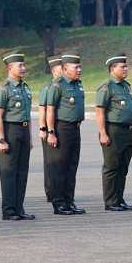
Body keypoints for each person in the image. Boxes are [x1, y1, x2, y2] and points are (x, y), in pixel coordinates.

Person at [0, 52, 34, 221]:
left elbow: (28, 115)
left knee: (22, 171)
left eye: (24, 65)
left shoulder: (25, 87)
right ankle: (9, 210)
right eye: (20, 66)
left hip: (23, 131)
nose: (23, 68)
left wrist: (30, 137)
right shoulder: (4, 88)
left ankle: (19, 208)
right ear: (10, 68)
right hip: (10, 130)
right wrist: (1, 139)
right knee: (9, 172)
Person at [96, 53, 132, 212]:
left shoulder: (126, 85)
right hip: (113, 130)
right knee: (112, 167)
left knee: (123, 167)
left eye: (126, 66)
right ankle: (111, 201)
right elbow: (100, 112)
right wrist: (103, 133)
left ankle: (119, 199)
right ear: (113, 68)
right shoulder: (107, 87)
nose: (126, 69)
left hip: (126, 131)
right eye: (122, 66)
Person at [46, 54, 86, 216]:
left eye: (79, 66)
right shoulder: (58, 85)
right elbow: (50, 109)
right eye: (76, 67)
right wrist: (51, 132)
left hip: (75, 129)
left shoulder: (78, 85)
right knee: (60, 168)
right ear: (64, 69)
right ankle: (59, 203)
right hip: (62, 128)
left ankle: (69, 201)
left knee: (72, 167)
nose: (79, 70)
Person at [38, 55, 63, 202]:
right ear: (54, 71)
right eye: (61, 68)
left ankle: (58, 190)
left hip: (59, 127)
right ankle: (51, 192)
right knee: (50, 162)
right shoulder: (49, 88)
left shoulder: (63, 86)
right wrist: (43, 129)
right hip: (49, 129)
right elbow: (43, 109)